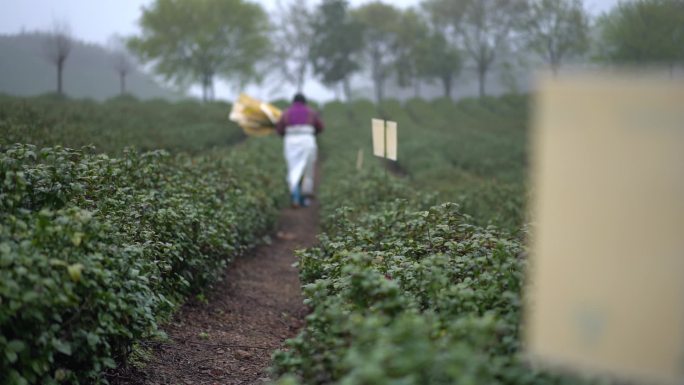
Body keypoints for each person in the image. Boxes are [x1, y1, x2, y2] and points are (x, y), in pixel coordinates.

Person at [275, 93, 324, 207]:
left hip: (291, 142)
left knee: (294, 169)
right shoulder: (311, 112)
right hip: (307, 141)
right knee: (307, 169)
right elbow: (320, 127)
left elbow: (279, 129)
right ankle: (305, 198)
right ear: (304, 102)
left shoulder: (286, 113)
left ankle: (295, 197)